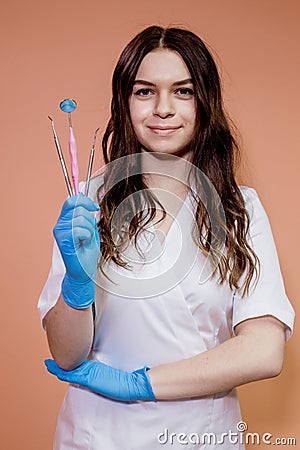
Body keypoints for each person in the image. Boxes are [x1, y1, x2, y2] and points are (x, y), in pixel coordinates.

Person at [38, 25, 295, 449]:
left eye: (183, 91)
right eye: (144, 91)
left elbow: (264, 351)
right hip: (97, 435)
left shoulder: (240, 209)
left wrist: (138, 384)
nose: (162, 108)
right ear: (124, 101)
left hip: (198, 435)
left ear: (205, 102)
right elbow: (67, 356)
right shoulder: (88, 201)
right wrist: (77, 286)